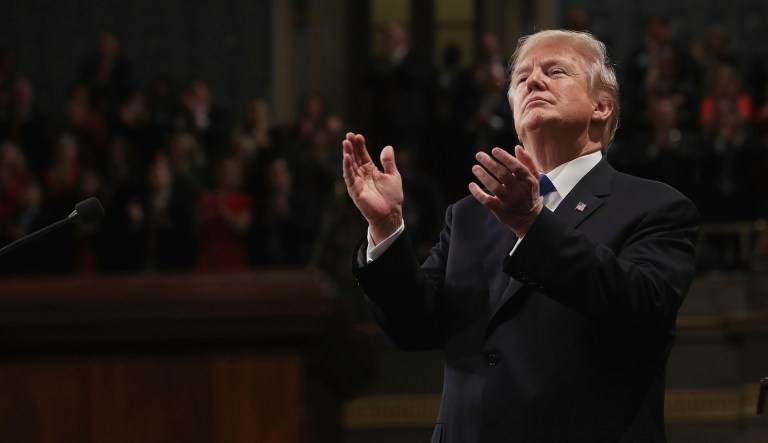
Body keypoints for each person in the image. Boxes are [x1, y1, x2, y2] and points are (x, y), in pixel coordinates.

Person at [341, 29, 699, 442]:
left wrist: (533, 225)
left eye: (555, 71)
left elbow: (642, 306)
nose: (533, 81)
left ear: (602, 106)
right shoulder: (470, 215)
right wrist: (386, 228)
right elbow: (414, 328)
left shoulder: (654, 206)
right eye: (522, 78)